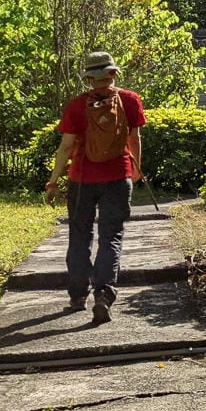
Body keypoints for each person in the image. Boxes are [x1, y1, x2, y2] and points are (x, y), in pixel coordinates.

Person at [45, 52, 145, 325]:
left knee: (79, 235)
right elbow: (133, 139)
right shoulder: (130, 100)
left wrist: (53, 181)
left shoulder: (77, 105)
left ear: (89, 78)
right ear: (113, 73)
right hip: (117, 177)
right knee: (111, 235)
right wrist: (136, 169)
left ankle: (78, 294)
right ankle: (104, 295)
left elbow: (66, 146)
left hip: (81, 179)